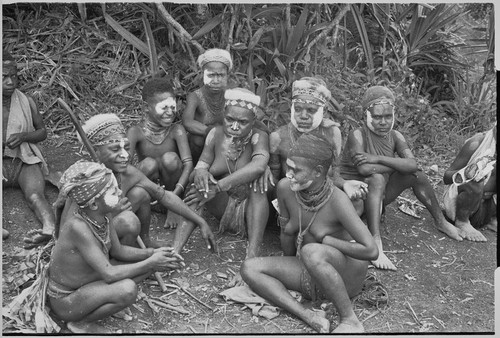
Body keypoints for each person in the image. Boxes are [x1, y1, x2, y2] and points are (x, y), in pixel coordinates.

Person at [241, 133, 378, 333]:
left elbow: (371, 250)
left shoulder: (337, 201)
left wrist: (329, 241)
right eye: (289, 167)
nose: (289, 174)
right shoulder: (286, 189)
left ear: (318, 172)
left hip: (344, 275)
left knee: (312, 251)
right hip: (308, 269)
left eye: (296, 170)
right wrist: (285, 267)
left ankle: (350, 320)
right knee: (249, 268)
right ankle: (310, 316)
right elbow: (287, 237)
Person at [48, 161, 184, 334]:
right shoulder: (77, 227)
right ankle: (81, 322)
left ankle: (101, 300)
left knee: (147, 267)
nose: (120, 192)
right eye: (113, 191)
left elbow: (118, 251)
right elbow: (109, 274)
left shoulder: (103, 215)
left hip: (88, 283)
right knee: (128, 289)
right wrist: (151, 262)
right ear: (94, 204)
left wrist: (152, 253)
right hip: (67, 300)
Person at [339, 85, 460, 271]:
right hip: (355, 198)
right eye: (377, 117)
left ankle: (440, 220)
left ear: (394, 115)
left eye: (387, 116)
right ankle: (375, 240)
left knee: (415, 175)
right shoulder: (357, 134)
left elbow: (413, 165)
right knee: (377, 178)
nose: (383, 122)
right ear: (366, 116)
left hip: (379, 196)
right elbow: (364, 169)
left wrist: (378, 158)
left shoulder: (395, 136)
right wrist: (396, 163)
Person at [58, 113, 214, 250]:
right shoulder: (85, 179)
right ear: (96, 152)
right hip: (86, 244)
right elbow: (69, 229)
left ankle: (144, 242)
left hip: (110, 232)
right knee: (129, 221)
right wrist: (111, 213)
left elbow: (164, 196)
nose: (125, 155)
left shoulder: (128, 173)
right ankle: (119, 260)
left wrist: (200, 221)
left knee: (141, 193)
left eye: (126, 147)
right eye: (114, 149)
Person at [174, 88, 270, 286]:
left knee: (258, 184)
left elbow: (259, 165)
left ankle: (251, 256)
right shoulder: (215, 134)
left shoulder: (258, 137)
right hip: (223, 207)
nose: (235, 126)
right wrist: (202, 173)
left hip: (249, 211)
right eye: (229, 120)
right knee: (200, 185)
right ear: (223, 116)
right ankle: (174, 252)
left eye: (243, 122)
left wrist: (219, 186)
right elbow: (200, 166)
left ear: (253, 122)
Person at [268, 76, 368, 203]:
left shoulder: (332, 133)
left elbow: (334, 175)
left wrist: (344, 184)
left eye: (311, 110)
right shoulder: (278, 137)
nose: (303, 116)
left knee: (357, 204)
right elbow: (275, 183)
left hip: (324, 194)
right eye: (298, 109)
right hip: (290, 197)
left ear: (324, 111)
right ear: (291, 108)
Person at [2, 49, 56, 248]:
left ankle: (50, 228)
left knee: (36, 195)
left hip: (23, 160)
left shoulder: (26, 101)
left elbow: (42, 132)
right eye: (4, 77)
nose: (10, 82)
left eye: (13, 77)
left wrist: (24, 136)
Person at [127, 77, 192, 228]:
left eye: (173, 107)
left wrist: (175, 195)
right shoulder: (136, 132)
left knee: (170, 159)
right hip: (149, 193)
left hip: (174, 192)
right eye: (164, 108)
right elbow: (124, 167)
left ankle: (173, 207)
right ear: (145, 108)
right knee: (148, 164)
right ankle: (143, 202)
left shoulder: (177, 130)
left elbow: (188, 164)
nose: (170, 112)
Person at [442, 124, 496, 240]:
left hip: (486, 207)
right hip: (461, 206)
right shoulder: (476, 143)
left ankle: (493, 219)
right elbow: (446, 177)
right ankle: (462, 222)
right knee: (474, 179)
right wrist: (466, 173)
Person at [182, 48, 232, 162]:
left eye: (221, 75)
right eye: (211, 75)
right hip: (201, 145)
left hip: (226, 144)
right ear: (202, 74)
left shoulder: (231, 94)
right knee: (197, 140)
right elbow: (187, 122)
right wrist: (213, 132)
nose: (216, 80)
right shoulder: (195, 96)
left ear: (227, 75)